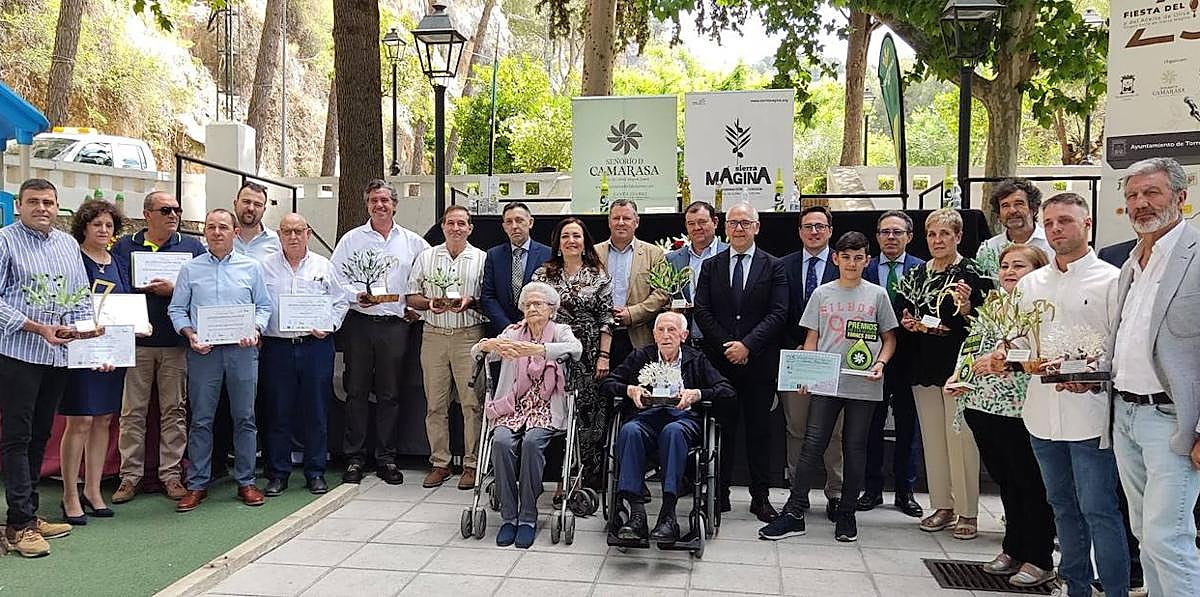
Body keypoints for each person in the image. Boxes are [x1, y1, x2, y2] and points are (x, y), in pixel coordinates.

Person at [982, 192, 1128, 597]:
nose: (1056, 229)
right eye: (1050, 223)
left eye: (1065, 221)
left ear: (1087, 224)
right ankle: (1075, 586)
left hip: (1091, 414)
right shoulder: (1031, 283)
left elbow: (1120, 348)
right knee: (1061, 506)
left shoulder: (1112, 281)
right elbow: (1018, 342)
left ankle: (1114, 588)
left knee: (1099, 510)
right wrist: (1004, 356)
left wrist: (1090, 373)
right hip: (1042, 415)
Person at [759, 231, 898, 543]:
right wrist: (805, 374)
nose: (851, 263)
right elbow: (812, 338)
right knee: (812, 443)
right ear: (835, 259)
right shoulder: (822, 293)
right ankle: (794, 512)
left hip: (863, 382)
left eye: (858, 257)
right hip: (826, 380)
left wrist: (881, 363)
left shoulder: (877, 295)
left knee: (854, 447)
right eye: (845, 257)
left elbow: (889, 338)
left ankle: (847, 513)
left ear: (867, 260)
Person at [1108, 157, 1199, 597]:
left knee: (1169, 539)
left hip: (1172, 422)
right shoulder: (1131, 263)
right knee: (1146, 534)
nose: (1140, 203)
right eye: (1132, 196)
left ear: (1181, 197)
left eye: (1152, 193)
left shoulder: (1196, 256)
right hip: (1125, 416)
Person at [947, 243, 1056, 588]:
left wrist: (1002, 362)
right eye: (1005, 265)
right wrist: (960, 375)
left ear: (1038, 270)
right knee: (1006, 481)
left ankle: (1038, 557)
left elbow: (1039, 354)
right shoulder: (995, 305)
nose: (1009, 271)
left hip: (1021, 409)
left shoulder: (1042, 308)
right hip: (983, 405)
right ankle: (1013, 547)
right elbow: (973, 346)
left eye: (1019, 266)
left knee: (1030, 483)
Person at [0, 179, 85, 557]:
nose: (42, 208)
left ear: (57, 206)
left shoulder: (68, 244)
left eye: (48, 202)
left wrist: (88, 333)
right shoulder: (4, 241)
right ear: (19, 205)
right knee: (17, 437)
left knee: (40, 435)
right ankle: (18, 524)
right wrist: (36, 327)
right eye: (33, 201)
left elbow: (81, 297)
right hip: (18, 353)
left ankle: (30, 515)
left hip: (57, 356)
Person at [168, 209, 272, 512]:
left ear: (235, 232)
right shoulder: (190, 269)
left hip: (242, 352)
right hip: (205, 352)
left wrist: (255, 329)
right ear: (205, 233)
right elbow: (177, 310)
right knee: (201, 419)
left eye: (223, 227)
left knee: (245, 418)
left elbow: (264, 307)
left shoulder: (251, 268)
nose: (216, 232)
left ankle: (246, 481)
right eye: (211, 227)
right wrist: (189, 334)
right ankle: (197, 483)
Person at [896, 208, 989, 540]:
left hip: (959, 367)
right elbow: (903, 309)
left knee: (961, 440)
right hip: (923, 366)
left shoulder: (974, 272)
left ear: (959, 237)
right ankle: (942, 506)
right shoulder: (917, 273)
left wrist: (965, 309)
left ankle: (968, 511)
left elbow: (984, 321)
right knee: (933, 440)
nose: (937, 240)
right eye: (932, 234)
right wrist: (910, 323)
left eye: (945, 234)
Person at [693, 202, 789, 522]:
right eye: (733, 223)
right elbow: (702, 311)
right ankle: (719, 493)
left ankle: (760, 497)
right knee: (721, 430)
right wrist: (727, 347)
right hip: (719, 364)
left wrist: (747, 345)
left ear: (757, 227)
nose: (739, 228)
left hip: (759, 363)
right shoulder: (712, 265)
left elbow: (778, 313)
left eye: (745, 222)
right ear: (725, 227)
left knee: (759, 432)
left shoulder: (774, 266)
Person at [330, 179, 429, 485]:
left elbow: (426, 279)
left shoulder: (413, 242)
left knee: (390, 394)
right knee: (356, 391)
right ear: (367, 204)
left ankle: (386, 458)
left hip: (395, 326)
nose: (380, 205)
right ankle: (355, 458)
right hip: (360, 323)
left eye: (385, 200)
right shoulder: (351, 240)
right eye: (374, 200)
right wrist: (353, 295)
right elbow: (334, 279)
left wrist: (419, 309)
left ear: (395, 205)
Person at [603, 311, 735, 543]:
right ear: (654, 335)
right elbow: (608, 383)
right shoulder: (641, 356)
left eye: (672, 330)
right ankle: (637, 515)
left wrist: (697, 394)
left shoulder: (696, 359)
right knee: (629, 430)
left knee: (672, 432)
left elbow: (727, 390)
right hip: (646, 419)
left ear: (683, 335)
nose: (666, 335)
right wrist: (630, 390)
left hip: (682, 421)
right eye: (660, 330)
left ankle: (668, 515)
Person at [109, 191, 204, 503]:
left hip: (176, 343)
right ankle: (129, 476)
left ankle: (172, 475)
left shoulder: (192, 246)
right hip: (136, 343)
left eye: (177, 208)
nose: (173, 214)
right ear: (147, 213)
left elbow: (200, 289)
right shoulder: (125, 245)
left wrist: (174, 289)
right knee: (132, 412)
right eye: (166, 209)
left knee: (174, 411)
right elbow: (117, 287)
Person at [473, 281, 582, 549]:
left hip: (545, 407)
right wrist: (489, 346)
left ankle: (528, 517)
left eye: (538, 304)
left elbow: (576, 350)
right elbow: (476, 351)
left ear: (551, 309)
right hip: (513, 405)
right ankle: (509, 517)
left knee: (533, 442)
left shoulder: (559, 331)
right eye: (528, 304)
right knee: (500, 441)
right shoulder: (513, 332)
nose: (532, 308)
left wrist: (540, 350)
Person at [260, 214, 349, 496]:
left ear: (308, 233)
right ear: (279, 234)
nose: (293, 236)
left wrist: (330, 325)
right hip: (277, 347)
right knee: (278, 412)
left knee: (316, 411)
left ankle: (315, 471)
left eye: (299, 231)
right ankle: (278, 473)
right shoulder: (264, 268)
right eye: (287, 231)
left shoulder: (324, 265)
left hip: (315, 346)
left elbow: (341, 300)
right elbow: (257, 303)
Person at [59, 200, 131, 525]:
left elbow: (124, 307)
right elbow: (64, 305)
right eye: (97, 225)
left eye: (108, 226)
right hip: (81, 351)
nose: (103, 230)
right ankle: (70, 495)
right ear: (84, 227)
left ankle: (93, 489)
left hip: (111, 355)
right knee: (80, 422)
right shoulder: (73, 259)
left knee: (103, 420)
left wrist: (138, 327)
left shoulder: (116, 262)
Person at [407, 206, 487, 490]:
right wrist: (429, 303)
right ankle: (440, 463)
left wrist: (471, 302)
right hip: (434, 335)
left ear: (470, 228)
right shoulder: (427, 257)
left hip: (469, 335)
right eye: (450, 223)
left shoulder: (481, 259)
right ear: (443, 227)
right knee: (435, 404)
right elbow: (411, 295)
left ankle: (471, 464)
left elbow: (487, 299)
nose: (456, 228)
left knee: (472, 404)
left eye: (461, 223)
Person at [532, 217, 614, 489]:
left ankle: (583, 479)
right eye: (565, 236)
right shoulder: (543, 275)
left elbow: (606, 317)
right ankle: (558, 479)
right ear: (558, 243)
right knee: (553, 413)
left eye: (576, 236)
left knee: (585, 415)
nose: (571, 241)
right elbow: (533, 311)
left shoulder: (598, 274)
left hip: (588, 355)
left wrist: (604, 355)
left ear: (584, 242)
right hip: (552, 352)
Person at [858, 210, 924, 518]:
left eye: (897, 232)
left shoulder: (922, 270)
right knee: (870, 426)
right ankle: (871, 489)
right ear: (877, 237)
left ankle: (905, 491)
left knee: (908, 428)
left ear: (909, 237)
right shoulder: (864, 268)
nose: (891, 237)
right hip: (871, 359)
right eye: (885, 232)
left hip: (911, 359)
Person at [781, 205, 843, 515]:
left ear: (830, 231)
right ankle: (798, 492)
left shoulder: (844, 264)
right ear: (800, 231)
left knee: (833, 431)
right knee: (797, 428)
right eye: (808, 226)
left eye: (820, 226)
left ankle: (836, 492)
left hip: (834, 361)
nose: (814, 232)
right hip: (796, 359)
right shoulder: (784, 265)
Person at [594, 199, 668, 366]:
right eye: (616, 218)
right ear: (609, 222)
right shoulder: (593, 254)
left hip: (639, 335)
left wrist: (633, 313)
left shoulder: (654, 254)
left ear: (637, 222)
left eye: (626, 218)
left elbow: (662, 293)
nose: (621, 223)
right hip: (600, 338)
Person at [480, 202, 551, 337]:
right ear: (504, 227)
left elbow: (552, 295)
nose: (514, 226)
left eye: (519, 221)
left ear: (530, 222)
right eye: (509, 222)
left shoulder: (547, 254)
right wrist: (507, 327)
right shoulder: (494, 255)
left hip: (539, 330)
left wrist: (530, 322)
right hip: (504, 331)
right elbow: (488, 296)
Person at [664, 201, 726, 342]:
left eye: (702, 222)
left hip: (722, 338)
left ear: (715, 222)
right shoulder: (672, 259)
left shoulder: (730, 254)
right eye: (691, 223)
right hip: (686, 339)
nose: (697, 228)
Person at [981, 178, 1054, 260]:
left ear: (1033, 209)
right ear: (999, 214)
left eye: (1019, 204)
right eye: (1005, 205)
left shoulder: (1052, 242)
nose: (1012, 210)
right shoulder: (989, 248)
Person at [232, 181, 281, 261]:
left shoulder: (276, 242)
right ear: (235, 204)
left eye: (257, 205)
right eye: (246, 202)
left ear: (264, 210)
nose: (251, 208)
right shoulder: (221, 238)